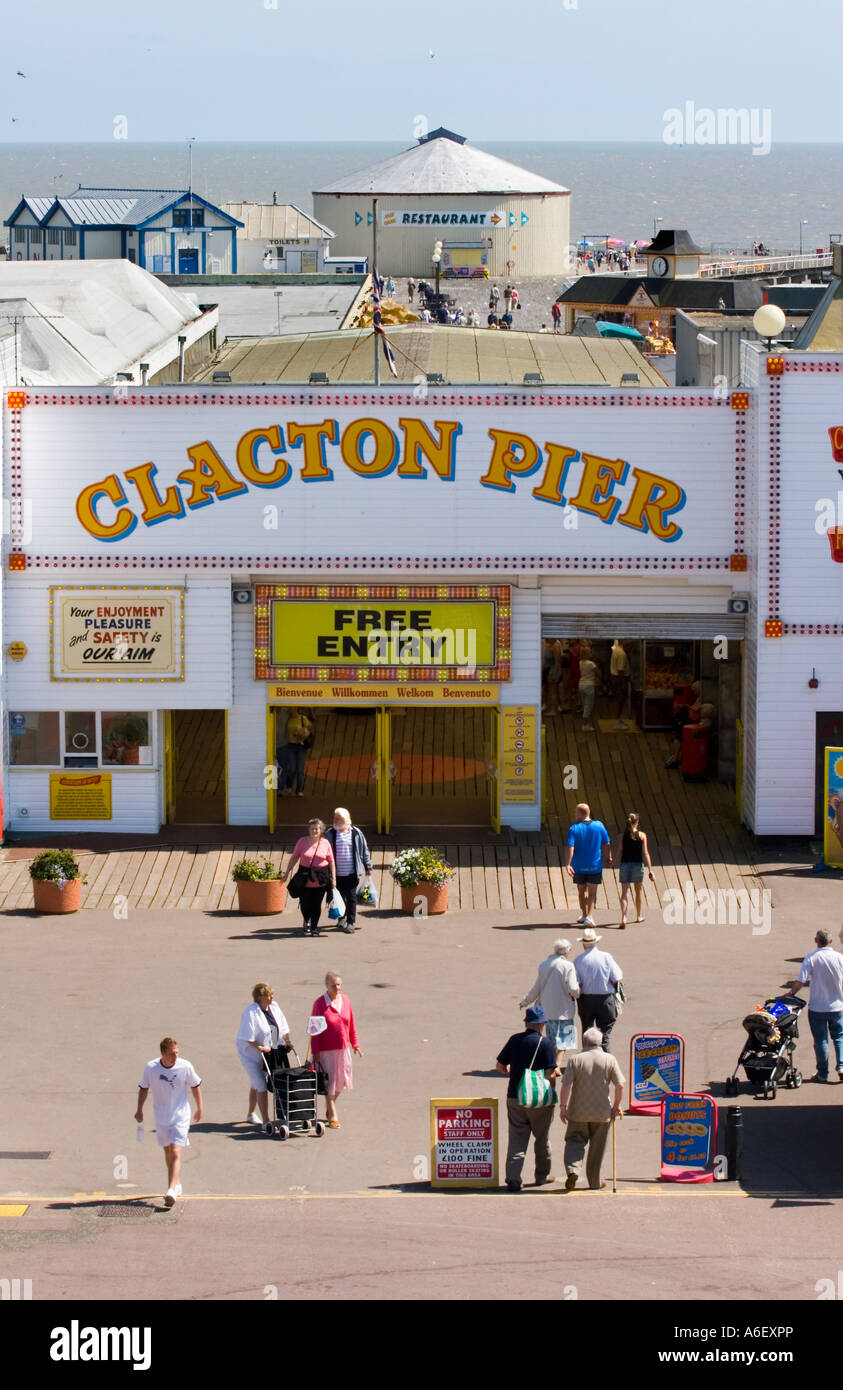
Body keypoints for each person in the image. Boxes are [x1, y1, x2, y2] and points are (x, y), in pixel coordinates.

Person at [135, 1037, 202, 1208]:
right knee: (168, 1153)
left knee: (176, 1152)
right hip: (161, 1115)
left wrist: (199, 1107)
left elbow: (195, 1085)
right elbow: (143, 1088)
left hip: (181, 1115)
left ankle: (171, 1190)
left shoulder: (185, 1066)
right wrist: (139, 1110)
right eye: (172, 1054)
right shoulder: (151, 1068)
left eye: (177, 1053)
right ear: (163, 1053)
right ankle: (176, 1183)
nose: (175, 1056)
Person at [496, 1005, 558, 1191]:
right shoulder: (545, 1043)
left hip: (515, 1096)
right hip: (538, 1099)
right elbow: (550, 1073)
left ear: (526, 1023)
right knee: (542, 1138)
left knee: (516, 1138)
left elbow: (500, 1065)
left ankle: (514, 1178)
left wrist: (511, 1072)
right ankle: (542, 1176)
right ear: (541, 1024)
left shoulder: (514, 1040)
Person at [559, 1027, 624, 1191]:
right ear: (600, 1042)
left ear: (584, 1041)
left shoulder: (576, 1059)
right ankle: (594, 1182)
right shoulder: (609, 1059)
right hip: (602, 1112)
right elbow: (620, 1085)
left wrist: (563, 1106)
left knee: (574, 1141)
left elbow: (566, 1084)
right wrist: (615, 1106)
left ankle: (573, 1170)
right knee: (597, 1147)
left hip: (578, 1111)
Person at [786, 929, 843, 1083]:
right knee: (839, 1038)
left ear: (815, 940)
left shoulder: (811, 958)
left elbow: (800, 981)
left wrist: (791, 993)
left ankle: (823, 1074)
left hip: (817, 1007)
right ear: (831, 941)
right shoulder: (839, 957)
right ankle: (842, 1067)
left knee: (821, 1040)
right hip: (837, 1006)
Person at [310, 971, 362, 1127]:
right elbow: (314, 1030)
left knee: (341, 1081)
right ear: (327, 986)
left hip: (343, 1048)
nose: (337, 988)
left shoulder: (345, 1000)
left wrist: (356, 1044)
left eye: (339, 985)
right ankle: (333, 1114)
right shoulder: (319, 1004)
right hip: (326, 1051)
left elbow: (351, 1023)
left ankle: (329, 1106)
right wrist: (316, 1052)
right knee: (330, 1082)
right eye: (334, 985)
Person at [237, 983, 292, 1125]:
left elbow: (283, 1028)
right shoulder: (250, 1013)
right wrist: (261, 1047)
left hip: (269, 1054)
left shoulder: (274, 1007)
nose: (272, 997)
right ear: (261, 997)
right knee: (261, 1084)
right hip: (250, 1055)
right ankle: (266, 1121)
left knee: (256, 1083)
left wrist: (287, 1041)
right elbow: (248, 1038)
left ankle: (250, 1114)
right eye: (269, 995)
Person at [519, 939, 581, 1066]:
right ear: (567, 951)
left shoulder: (543, 965)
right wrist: (577, 994)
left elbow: (537, 987)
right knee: (564, 1040)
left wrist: (525, 1001)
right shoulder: (568, 966)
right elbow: (573, 988)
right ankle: (557, 1064)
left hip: (547, 1009)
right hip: (564, 1009)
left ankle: (552, 1063)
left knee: (552, 1039)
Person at [284, 817, 336, 937]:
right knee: (305, 903)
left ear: (321, 830)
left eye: (317, 829)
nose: (314, 831)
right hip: (305, 876)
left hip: (321, 877)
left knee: (317, 904)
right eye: (312, 829)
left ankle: (314, 928)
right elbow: (294, 858)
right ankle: (306, 919)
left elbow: (331, 861)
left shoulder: (325, 843)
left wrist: (334, 878)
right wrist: (287, 872)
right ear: (309, 830)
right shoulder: (302, 841)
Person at [325, 806, 373, 934]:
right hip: (336, 873)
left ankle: (351, 922)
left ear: (345, 819)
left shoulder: (356, 833)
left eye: (338, 818)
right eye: (334, 818)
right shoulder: (330, 833)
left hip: (352, 872)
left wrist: (368, 866)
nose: (335, 820)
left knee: (351, 897)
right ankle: (341, 917)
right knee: (339, 897)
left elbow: (364, 851)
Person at [574, 928, 623, 1052]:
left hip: (586, 999)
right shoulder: (606, 957)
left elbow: (576, 982)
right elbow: (617, 977)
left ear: (583, 944)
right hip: (605, 998)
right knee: (605, 1034)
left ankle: (586, 1062)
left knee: (587, 1032)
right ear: (596, 942)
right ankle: (606, 1063)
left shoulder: (578, 960)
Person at [565, 802, 612, 927]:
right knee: (592, 892)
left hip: (578, 866)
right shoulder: (599, 825)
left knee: (581, 891)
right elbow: (607, 843)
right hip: (594, 865)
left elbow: (570, 847)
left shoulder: (574, 828)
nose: (574, 814)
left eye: (576, 812)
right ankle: (590, 917)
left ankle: (585, 914)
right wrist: (609, 857)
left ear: (580, 814)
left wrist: (568, 864)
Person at [615, 812, 655, 928]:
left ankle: (623, 917)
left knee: (624, 893)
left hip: (625, 865)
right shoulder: (642, 836)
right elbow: (645, 853)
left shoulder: (622, 836)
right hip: (638, 865)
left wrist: (612, 862)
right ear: (637, 822)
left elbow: (619, 851)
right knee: (638, 892)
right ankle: (638, 916)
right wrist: (650, 870)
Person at [279, 708, 313, 796]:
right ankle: (289, 786)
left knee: (300, 769)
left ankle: (299, 790)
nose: (290, 710)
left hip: (301, 746)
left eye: (292, 708)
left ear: (296, 709)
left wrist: (304, 733)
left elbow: (310, 728)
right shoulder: (288, 719)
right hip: (290, 745)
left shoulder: (303, 718)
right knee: (291, 769)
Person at [578, 643, 601, 732]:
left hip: (581, 684)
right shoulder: (591, 664)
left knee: (584, 704)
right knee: (588, 705)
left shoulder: (580, 662)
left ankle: (586, 722)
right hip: (589, 685)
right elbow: (598, 673)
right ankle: (585, 725)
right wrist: (599, 680)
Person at [610, 640, 631, 729]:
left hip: (614, 677)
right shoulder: (622, 654)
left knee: (618, 700)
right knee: (619, 700)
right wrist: (623, 684)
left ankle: (617, 719)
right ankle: (616, 721)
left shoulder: (617, 649)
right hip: (619, 679)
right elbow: (620, 670)